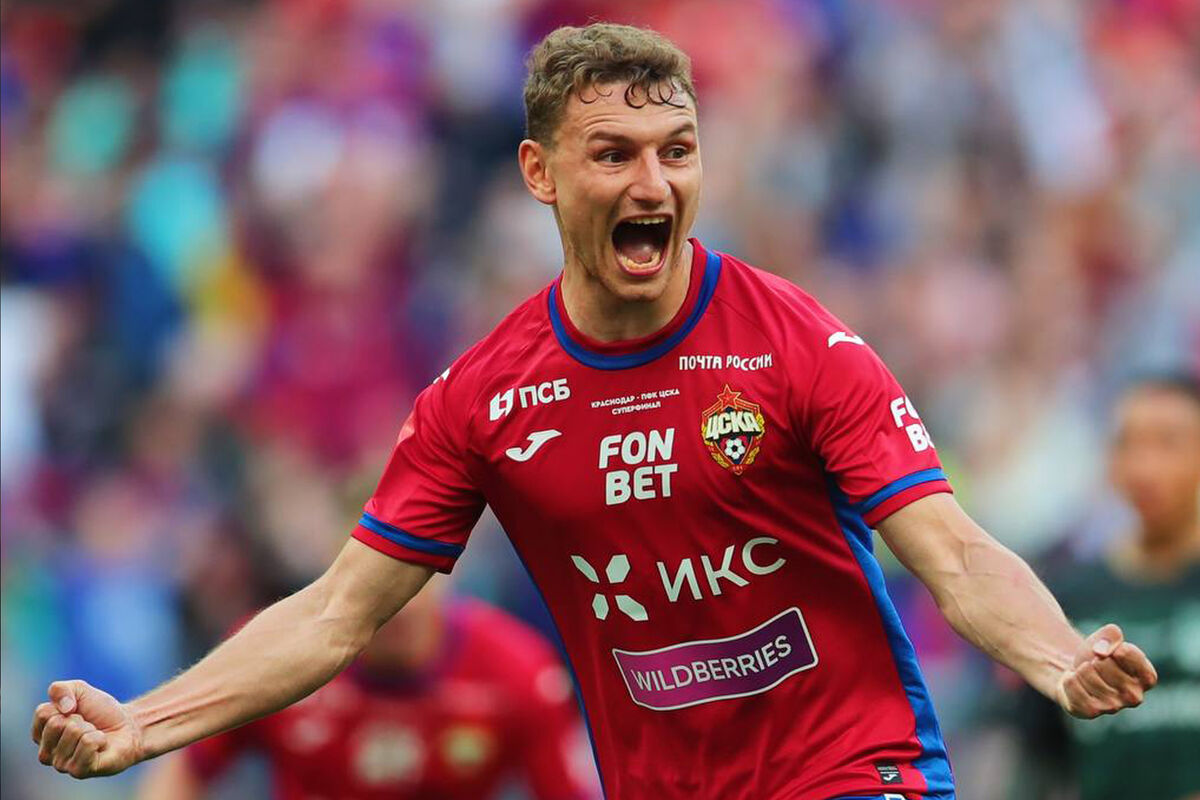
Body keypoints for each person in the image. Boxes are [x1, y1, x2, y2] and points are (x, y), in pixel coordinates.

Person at [31, 23, 1158, 800]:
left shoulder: (798, 343)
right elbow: (334, 614)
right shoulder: (482, 398)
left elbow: (953, 551)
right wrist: (143, 722)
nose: (653, 185)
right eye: (613, 155)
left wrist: (1059, 659)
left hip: (852, 771)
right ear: (540, 173)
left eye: (678, 153)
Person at [135, 577, 596, 800]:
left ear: (446, 573)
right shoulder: (270, 654)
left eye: (413, 581)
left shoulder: (519, 669)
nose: (398, 606)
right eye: (377, 586)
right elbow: (183, 772)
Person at [1008, 373, 1200, 800]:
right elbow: (1036, 759)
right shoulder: (1070, 595)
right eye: (1128, 444)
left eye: (1168, 443)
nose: (1144, 467)